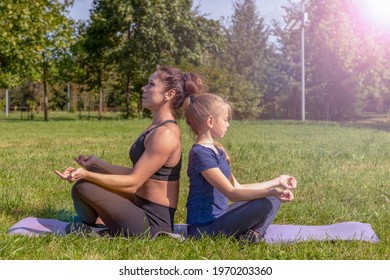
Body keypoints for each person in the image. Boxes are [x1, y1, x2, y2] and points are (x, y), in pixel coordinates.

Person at [55, 66, 205, 237]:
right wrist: (97, 163)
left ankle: (94, 227)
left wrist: (85, 175)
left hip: (151, 224)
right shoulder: (156, 128)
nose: (144, 88)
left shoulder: (166, 134)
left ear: (168, 94)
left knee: (83, 187)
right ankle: (98, 224)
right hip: (139, 204)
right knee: (93, 173)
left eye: (151, 84)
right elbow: (137, 173)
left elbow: (133, 182)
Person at [182, 93, 297, 243]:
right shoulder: (200, 154)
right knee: (265, 202)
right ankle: (256, 234)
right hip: (203, 231)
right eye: (225, 120)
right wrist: (271, 191)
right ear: (210, 121)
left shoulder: (217, 150)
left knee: (272, 199)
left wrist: (277, 182)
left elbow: (237, 186)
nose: (228, 124)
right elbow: (233, 194)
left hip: (221, 219)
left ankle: (253, 235)